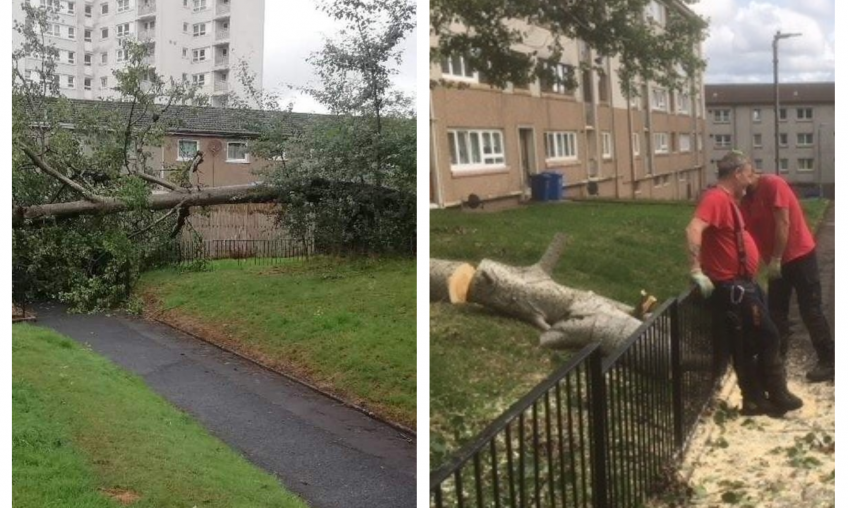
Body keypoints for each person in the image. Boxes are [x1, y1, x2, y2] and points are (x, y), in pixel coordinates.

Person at [685, 150, 803, 416]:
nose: (752, 179)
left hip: (743, 283)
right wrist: (695, 270)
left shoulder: (730, 200)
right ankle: (776, 393)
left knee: (747, 342)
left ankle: (754, 398)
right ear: (737, 174)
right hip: (733, 287)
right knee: (769, 335)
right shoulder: (715, 198)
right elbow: (693, 229)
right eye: (749, 174)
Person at [741, 171, 834, 382]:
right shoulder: (745, 199)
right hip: (776, 261)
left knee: (810, 309)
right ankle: (778, 359)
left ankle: (829, 361)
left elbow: (783, 223)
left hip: (799, 255)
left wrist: (776, 259)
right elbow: (745, 234)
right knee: (776, 311)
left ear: (746, 173)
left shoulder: (773, 185)